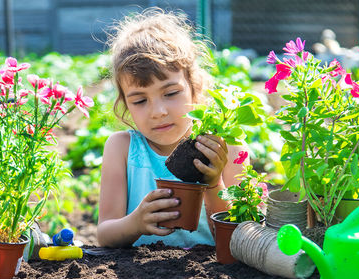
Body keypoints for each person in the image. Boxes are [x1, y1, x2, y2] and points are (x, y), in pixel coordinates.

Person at [97, 9, 248, 248]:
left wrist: (213, 183)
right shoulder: (122, 148)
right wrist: (135, 223)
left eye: (170, 93)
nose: (158, 111)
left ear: (195, 86)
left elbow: (240, 236)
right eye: (139, 100)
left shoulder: (226, 148)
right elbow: (105, 234)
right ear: (125, 105)